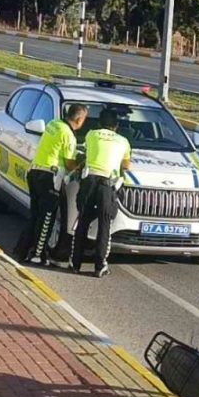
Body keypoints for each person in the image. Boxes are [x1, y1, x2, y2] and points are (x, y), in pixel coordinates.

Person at [12, 103, 88, 265]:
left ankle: (21, 250)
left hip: (35, 171)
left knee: (35, 214)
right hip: (50, 176)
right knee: (46, 217)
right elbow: (68, 165)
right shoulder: (68, 135)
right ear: (80, 119)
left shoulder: (54, 124)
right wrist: (80, 161)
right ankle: (37, 255)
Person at [70, 108, 132, 277]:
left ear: (99, 123)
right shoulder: (123, 141)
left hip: (89, 181)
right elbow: (126, 166)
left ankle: (75, 263)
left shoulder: (91, 134)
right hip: (107, 183)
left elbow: (87, 152)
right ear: (117, 126)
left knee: (83, 220)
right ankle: (99, 266)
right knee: (105, 225)